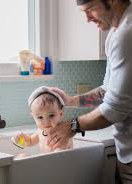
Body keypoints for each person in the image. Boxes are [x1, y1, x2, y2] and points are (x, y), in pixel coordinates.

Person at [47, 0, 132, 183]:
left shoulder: (127, 33)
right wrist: (71, 101)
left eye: (91, 9)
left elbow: (115, 109)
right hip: (126, 152)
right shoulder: (115, 34)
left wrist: (73, 126)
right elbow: (107, 90)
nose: (87, 19)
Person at [13, 86, 73, 155]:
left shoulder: (63, 132)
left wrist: (59, 150)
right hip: (45, 163)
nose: (46, 122)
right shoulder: (40, 131)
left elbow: (63, 154)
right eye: (40, 117)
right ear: (33, 117)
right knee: (22, 156)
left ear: (61, 114)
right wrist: (22, 138)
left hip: (60, 163)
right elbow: (30, 141)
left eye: (51, 115)